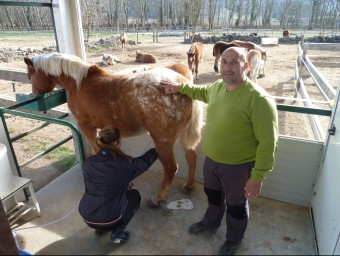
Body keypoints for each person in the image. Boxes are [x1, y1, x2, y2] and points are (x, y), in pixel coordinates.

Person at [160, 47, 278, 255]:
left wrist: (257, 177)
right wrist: (180, 88)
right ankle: (211, 222)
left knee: (236, 206)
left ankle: (234, 239)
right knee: (213, 197)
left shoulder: (259, 100)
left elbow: (268, 144)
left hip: (238, 168)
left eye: (234, 62)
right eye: (224, 61)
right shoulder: (217, 87)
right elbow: (201, 92)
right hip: (212, 161)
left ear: (246, 66)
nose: (228, 67)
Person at [78, 127, 158, 243]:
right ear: (116, 143)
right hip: (109, 220)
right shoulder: (124, 164)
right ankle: (118, 232)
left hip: (87, 215)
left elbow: (101, 184)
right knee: (134, 195)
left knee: (110, 194)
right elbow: (145, 162)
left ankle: (99, 229)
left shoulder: (89, 162)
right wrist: (158, 147)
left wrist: (125, 184)